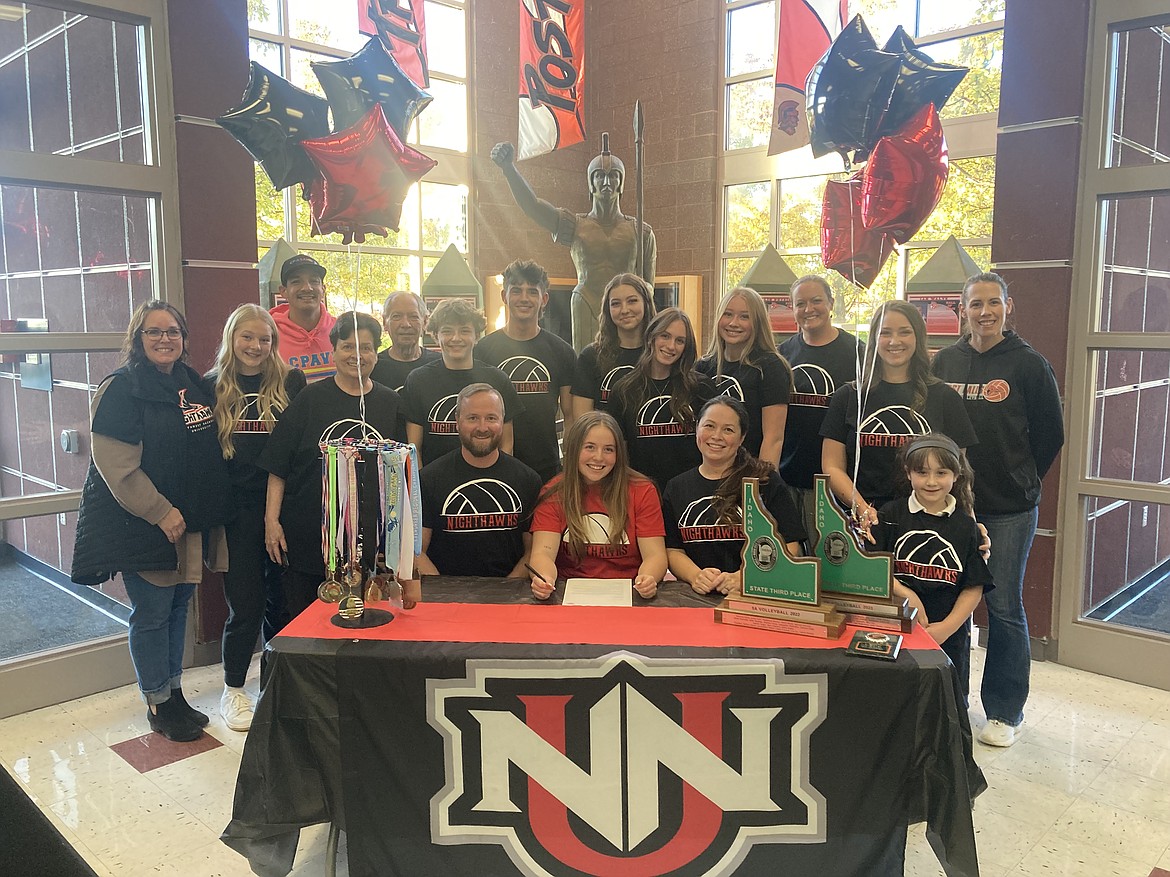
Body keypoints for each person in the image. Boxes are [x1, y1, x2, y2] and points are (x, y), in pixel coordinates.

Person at [71, 301, 231, 743]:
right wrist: (161, 511)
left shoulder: (189, 383)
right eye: (153, 332)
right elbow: (116, 466)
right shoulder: (121, 389)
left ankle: (174, 692)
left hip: (187, 523)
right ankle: (157, 702)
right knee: (152, 613)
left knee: (178, 608)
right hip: (146, 524)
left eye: (173, 331)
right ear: (137, 340)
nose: (165, 339)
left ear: (184, 338)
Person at [931, 272, 1065, 747]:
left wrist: (1019, 477)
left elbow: (1051, 435)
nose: (984, 312)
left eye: (994, 303)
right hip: (949, 508)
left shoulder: (1029, 365)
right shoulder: (944, 360)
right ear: (961, 310)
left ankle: (1006, 710)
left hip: (1008, 508)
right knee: (952, 604)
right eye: (975, 304)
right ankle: (951, 699)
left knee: (1003, 605)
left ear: (1010, 307)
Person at [260, 311, 407, 622]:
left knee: (364, 626)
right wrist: (271, 522)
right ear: (334, 351)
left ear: (376, 353)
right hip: (308, 535)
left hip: (369, 541)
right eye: (347, 346)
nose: (357, 355)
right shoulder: (309, 399)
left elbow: (398, 473)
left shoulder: (390, 402)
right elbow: (278, 465)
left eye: (366, 347)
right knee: (306, 624)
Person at [205, 304, 305, 731]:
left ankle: (275, 682)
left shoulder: (291, 382)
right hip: (236, 515)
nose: (256, 346)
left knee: (282, 601)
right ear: (231, 338)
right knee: (244, 604)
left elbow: (299, 450)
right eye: (247, 337)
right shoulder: (210, 386)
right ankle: (233, 690)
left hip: (282, 508)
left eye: (264, 339)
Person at [490, 138, 656, 350]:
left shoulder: (641, 231)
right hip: (586, 301)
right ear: (590, 182)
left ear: (621, 182)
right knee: (587, 365)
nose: (606, 183)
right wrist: (509, 169)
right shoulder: (576, 225)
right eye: (599, 176)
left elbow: (648, 286)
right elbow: (533, 207)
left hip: (625, 308)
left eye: (613, 176)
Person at [820, 300, 977, 524]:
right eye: (885, 333)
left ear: (917, 337)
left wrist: (971, 526)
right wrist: (862, 508)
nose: (894, 341)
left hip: (928, 521)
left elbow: (960, 475)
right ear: (874, 338)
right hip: (864, 521)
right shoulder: (848, 396)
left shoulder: (945, 397)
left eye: (904, 332)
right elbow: (832, 466)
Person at [868, 434, 994, 701]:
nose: (932, 481)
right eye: (922, 472)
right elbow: (871, 568)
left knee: (945, 701)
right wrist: (906, 594)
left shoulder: (967, 527)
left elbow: (974, 587)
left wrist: (946, 628)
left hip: (946, 635)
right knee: (894, 699)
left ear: (956, 475)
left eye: (941, 472)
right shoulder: (890, 516)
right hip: (895, 628)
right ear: (908, 473)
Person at [664, 398, 805, 595]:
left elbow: (791, 545)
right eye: (709, 426)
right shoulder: (676, 487)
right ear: (697, 428)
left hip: (755, 594)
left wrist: (746, 576)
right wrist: (696, 576)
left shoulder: (765, 479)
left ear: (742, 438)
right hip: (696, 598)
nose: (716, 436)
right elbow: (673, 549)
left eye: (728, 430)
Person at [528, 411, 666, 600]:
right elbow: (543, 553)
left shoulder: (642, 490)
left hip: (627, 592)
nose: (599, 457)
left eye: (608, 449)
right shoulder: (554, 492)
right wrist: (543, 579)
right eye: (590, 447)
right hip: (569, 592)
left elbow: (655, 555)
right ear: (574, 449)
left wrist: (648, 578)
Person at [417, 384, 543, 577]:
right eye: (473, 418)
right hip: (447, 596)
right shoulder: (428, 479)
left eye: (491, 418)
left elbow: (533, 553)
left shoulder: (528, 480)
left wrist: (506, 592)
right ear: (457, 422)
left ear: (503, 422)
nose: (482, 427)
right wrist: (448, 597)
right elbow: (417, 554)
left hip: (510, 596)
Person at [778, 275, 866, 538]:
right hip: (789, 474)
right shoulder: (782, 354)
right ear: (792, 308)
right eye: (800, 303)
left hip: (839, 481)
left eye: (816, 301)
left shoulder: (858, 352)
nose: (808, 309)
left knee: (831, 562)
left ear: (831, 302)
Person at [476, 259, 577, 482]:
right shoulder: (482, 350)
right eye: (517, 290)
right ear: (504, 296)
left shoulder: (562, 352)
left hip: (547, 465)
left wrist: (570, 466)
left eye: (532, 291)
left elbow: (570, 416)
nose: (524, 298)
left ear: (544, 299)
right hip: (493, 464)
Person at [402, 298, 523, 467]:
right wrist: (420, 488)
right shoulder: (418, 381)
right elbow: (414, 449)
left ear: (477, 336)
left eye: (465, 331)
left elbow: (506, 445)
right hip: (433, 485)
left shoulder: (498, 380)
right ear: (436, 335)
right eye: (447, 331)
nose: (456, 338)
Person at [610, 307, 718, 492]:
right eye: (665, 336)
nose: (671, 346)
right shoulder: (624, 390)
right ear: (652, 337)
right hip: (641, 493)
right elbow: (619, 453)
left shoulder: (701, 388)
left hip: (689, 492)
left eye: (680, 341)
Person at [697, 286, 792, 467]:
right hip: (710, 472)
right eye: (728, 314)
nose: (734, 323)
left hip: (749, 473)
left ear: (757, 322)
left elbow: (773, 438)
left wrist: (761, 483)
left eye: (744, 317)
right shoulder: (703, 367)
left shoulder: (770, 367)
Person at [570, 273, 657, 418]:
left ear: (646, 303)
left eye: (632, 301)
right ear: (607, 310)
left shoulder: (660, 355)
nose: (624, 310)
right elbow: (582, 423)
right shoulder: (591, 357)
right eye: (616, 303)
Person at [270, 253, 337, 382]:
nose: (307, 288)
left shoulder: (341, 331)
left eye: (314, 281)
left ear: (323, 289)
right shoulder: (269, 335)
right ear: (283, 291)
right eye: (296, 282)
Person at [369, 291, 441, 392]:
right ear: (385, 322)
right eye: (397, 316)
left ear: (425, 322)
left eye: (413, 316)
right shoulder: (371, 368)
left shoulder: (439, 365)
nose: (406, 324)